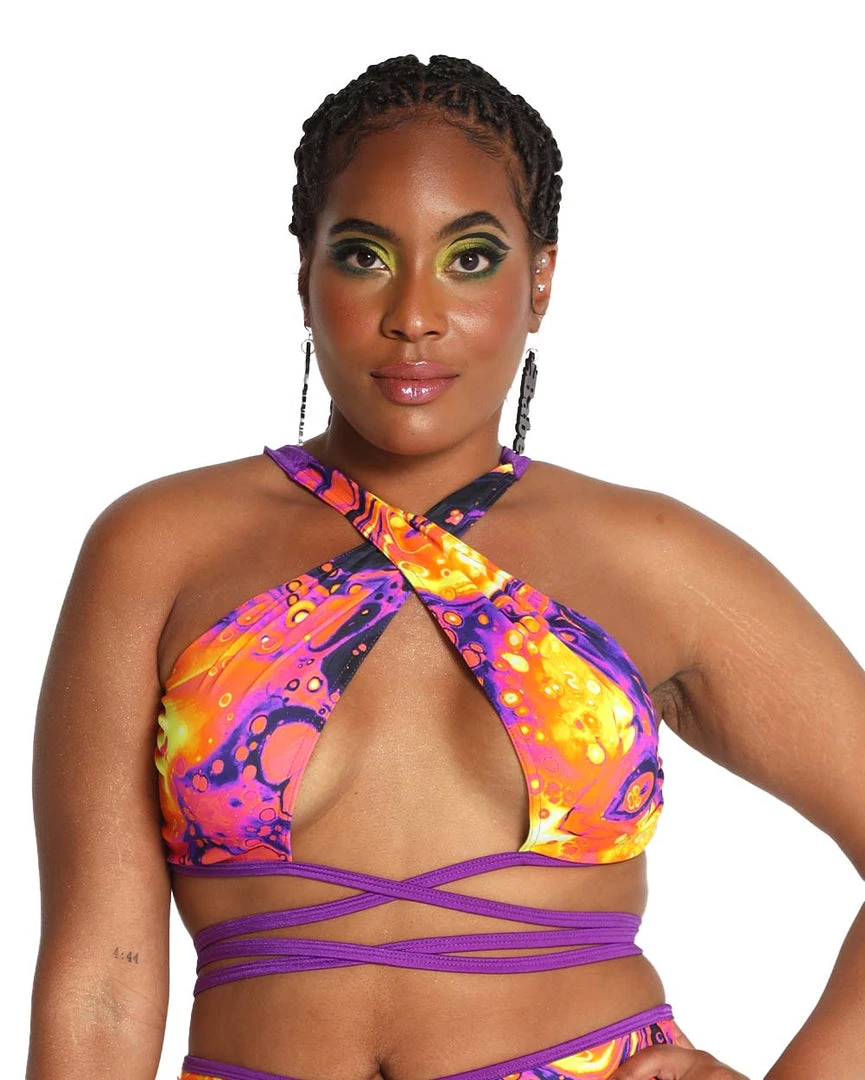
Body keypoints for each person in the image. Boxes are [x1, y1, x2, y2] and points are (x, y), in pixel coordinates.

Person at [27, 54, 864, 1080]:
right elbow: (102, 978)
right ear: (303, 272)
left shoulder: (654, 557)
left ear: (540, 279)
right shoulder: (156, 547)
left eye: (470, 258)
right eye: (364, 255)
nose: (414, 314)